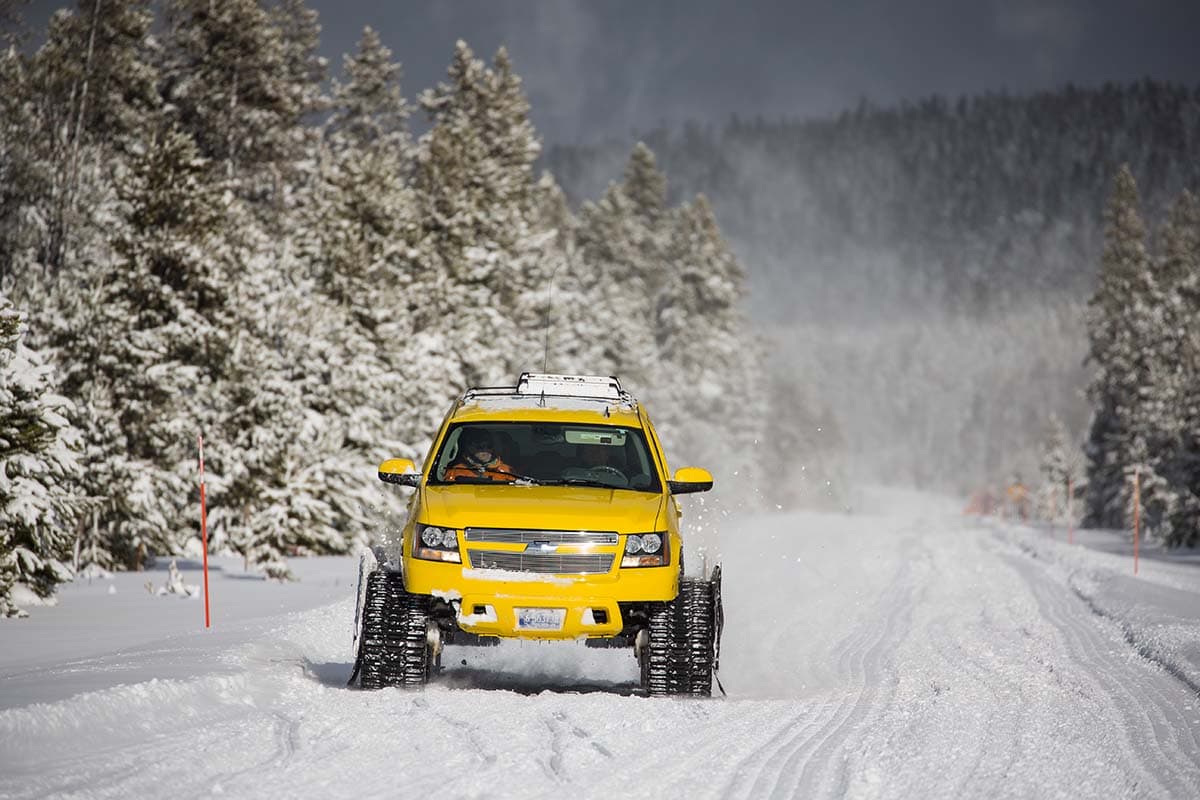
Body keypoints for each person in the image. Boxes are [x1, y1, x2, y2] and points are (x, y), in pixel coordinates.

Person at [444, 429, 518, 483]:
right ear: (469, 448)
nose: (485, 450)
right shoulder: (455, 472)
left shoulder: (507, 471)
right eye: (480, 446)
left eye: (489, 446)